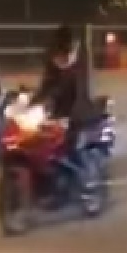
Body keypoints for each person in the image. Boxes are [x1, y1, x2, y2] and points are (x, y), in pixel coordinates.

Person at [30, 25, 95, 159]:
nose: (59, 59)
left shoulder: (80, 71)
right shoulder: (52, 67)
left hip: (78, 119)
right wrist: (31, 104)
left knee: (72, 145)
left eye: (65, 55)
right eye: (57, 56)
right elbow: (45, 88)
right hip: (57, 116)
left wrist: (68, 120)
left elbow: (80, 98)